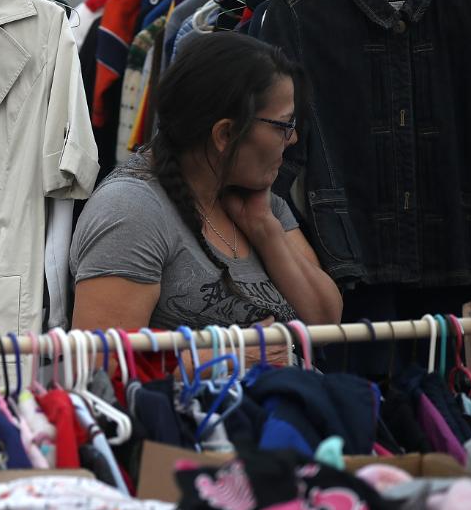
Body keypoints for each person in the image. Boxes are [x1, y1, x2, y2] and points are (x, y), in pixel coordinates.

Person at [69, 32, 343, 337]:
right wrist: (229, 356)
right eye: (284, 125)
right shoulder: (130, 211)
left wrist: (265, 229)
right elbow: (104, 364)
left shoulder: (253, 196)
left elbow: (325, 321)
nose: (292, 139)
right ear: (225, 134)